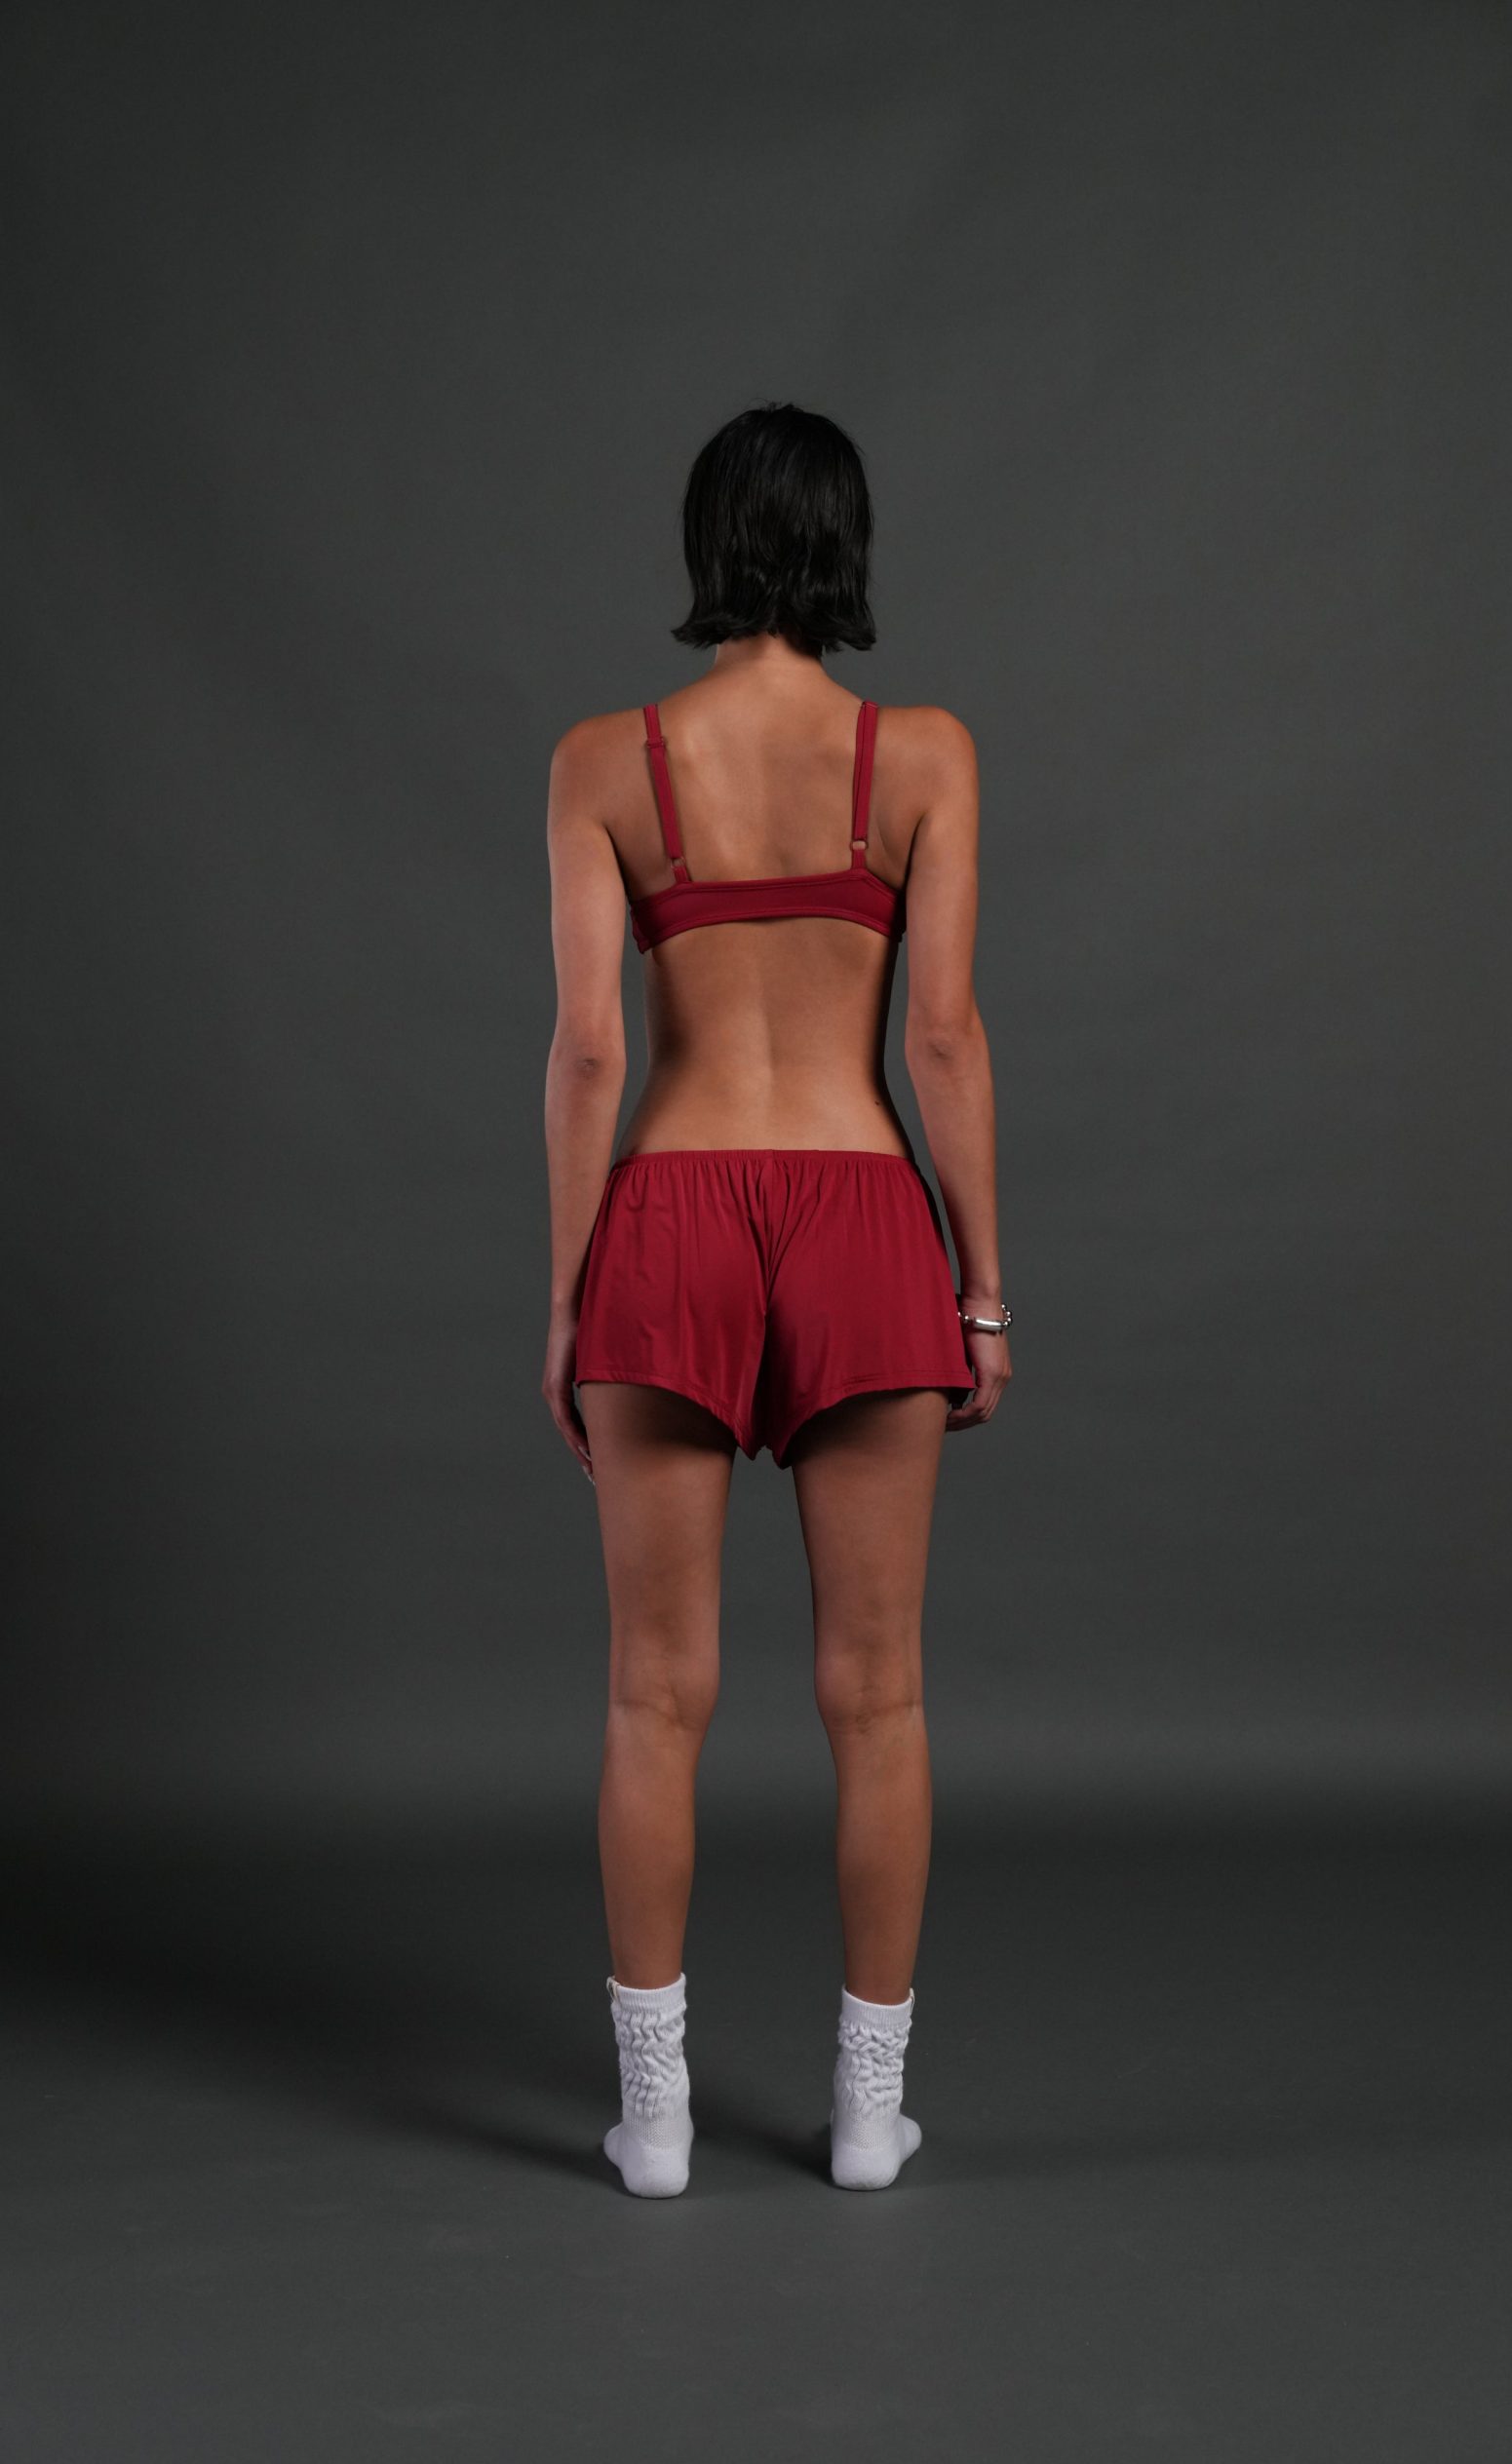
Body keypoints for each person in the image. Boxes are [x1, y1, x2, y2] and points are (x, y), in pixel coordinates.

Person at [542, 402, 1011, 2196]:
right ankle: (868, 2116)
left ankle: (654, 2119)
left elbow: (592, 1053)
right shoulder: (923, 756)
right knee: (876, 1697)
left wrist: (567, 1302)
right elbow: (942, 1039)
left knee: (652, 1697)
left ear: (707, 544)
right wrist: (981, 1294)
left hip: (668, 1207)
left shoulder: (605, 760)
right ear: (847, 546)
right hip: (861, 1207)